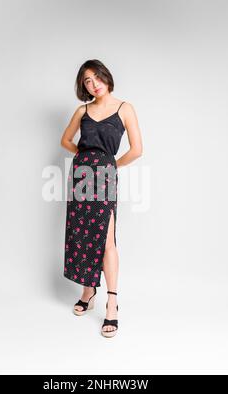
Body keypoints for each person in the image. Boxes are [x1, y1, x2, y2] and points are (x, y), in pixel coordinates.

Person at [61, 59, 143, 337]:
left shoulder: (124, 108)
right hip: (81, 176)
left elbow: (137, 149)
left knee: (106, 237)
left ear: (106, 77)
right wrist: (84, 157)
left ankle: (112, 303)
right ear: (83, 85)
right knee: (82, 234)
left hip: (105, 175)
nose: (93, 84)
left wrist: (111, 165)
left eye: (97, 77)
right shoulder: (82, 110)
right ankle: (88, 290)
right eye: (87, 80)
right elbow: (65, 140)